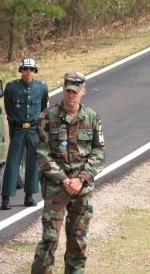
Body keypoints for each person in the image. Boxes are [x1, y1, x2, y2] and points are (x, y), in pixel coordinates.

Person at [31, 72, 105, 274]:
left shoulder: (91, 117)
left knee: (77, 240)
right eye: (68, 91)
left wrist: (81, 180)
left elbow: (99, 152)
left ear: (83, 91)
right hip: (56, 188)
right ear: (64, 90)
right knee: (49, 239)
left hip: (81, 189)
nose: (71, 95)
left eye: (75, 91)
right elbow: (41, 153)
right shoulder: (48, 117)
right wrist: (64, 179)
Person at [1, 57, 48, 210]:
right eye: (25, 69)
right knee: (12, 162)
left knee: (33, 163)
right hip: (19, 128)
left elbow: (43, 108)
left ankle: (29, 195)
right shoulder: (12, 88)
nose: (28, 72)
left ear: (35, 71)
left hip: (33, 129)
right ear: (21, 70)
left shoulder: (41, 88)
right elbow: (8, 108)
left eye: (31, 69)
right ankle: (6, 197)